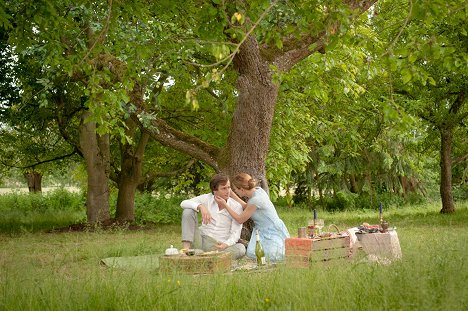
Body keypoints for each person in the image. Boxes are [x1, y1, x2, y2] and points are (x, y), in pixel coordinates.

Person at [214, 173, 290, 262]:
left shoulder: (256, 200)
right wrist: (231, 194)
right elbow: (247, 207)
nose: (234, 191)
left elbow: (240, 219)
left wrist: (225, 205)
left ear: (241, 189)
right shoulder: (258, 190)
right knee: (252, 253)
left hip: (271, 230)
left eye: (234, 190)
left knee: (275, 256)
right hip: (261, 230)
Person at [180, 173, 246, 259]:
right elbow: (183, 203)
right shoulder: (207, 199)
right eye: (224, 188)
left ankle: (207, 257)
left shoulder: (236, 206)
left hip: (219, 245)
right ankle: (186, 251)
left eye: (229, 187)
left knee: (241, 248)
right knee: (188, 211)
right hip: (201, 240)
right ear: (215, 190)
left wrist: (226, 244)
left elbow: (235, 233)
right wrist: (201, 206)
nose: (228, 191)